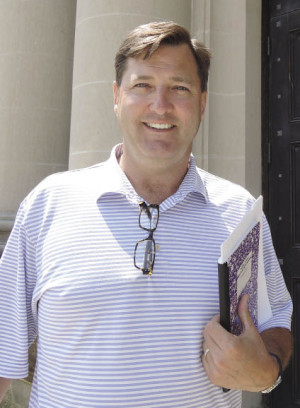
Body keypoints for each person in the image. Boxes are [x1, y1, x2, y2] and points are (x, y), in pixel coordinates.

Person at [0, 21, 292, 408]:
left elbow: (275, 324)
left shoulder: (239, 212)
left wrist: (266, 372)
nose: (160, 105)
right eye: (142, 86)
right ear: (116, 96)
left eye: (180, 88)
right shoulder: (47, 205)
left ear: (202, 103)